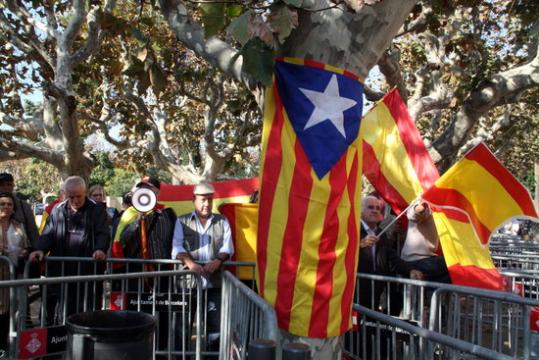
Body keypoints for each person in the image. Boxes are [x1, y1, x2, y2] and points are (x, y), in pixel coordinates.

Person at [28, 176, 110, 324]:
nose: (75, 201)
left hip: (87, 270)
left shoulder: (96, 209)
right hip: (61, 269)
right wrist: (40, 249)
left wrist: (100, 249)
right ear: (65, 194)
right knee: (62, 310)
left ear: (85, 192)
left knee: (87, 309)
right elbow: (49, 233)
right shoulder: (58, 210)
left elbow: (102, 233)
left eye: (78, 196)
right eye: (71, 197)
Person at [172, 182, 234, 353]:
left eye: (209, 200)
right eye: (202, 200)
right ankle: (181, 357)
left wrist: (218, 261)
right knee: (182, 326)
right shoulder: (182, 221)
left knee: (214, 328)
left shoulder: (222, 221)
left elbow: (227, 247)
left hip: (214, 284)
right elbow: (177, 247)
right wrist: (190, 263)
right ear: (194, 200)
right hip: (187, 284)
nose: (206, 204)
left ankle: (211, 357)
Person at [0, 192, 31, 351]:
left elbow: (25, 246)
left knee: (10, 313)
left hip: (13, 275)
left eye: (9, 204)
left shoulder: (18, 226)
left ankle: (7, 349)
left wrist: (24, 253)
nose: (6, 207)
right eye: (2, 204)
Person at [400, 201, 451, 283]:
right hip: (415, 260)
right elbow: (412, 215)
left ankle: (431, 292)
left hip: (427, 260)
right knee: (454, 265)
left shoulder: (438, 210)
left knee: (453, 272)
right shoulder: (424, 204)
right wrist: (420, 208)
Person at [0, 173, 39, 247]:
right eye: (2, 185)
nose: (5, 187)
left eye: (8, 184)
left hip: (19, 254)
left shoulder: (24, 206)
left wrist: (36, 251)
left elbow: (33, 232)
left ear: (13, 186)